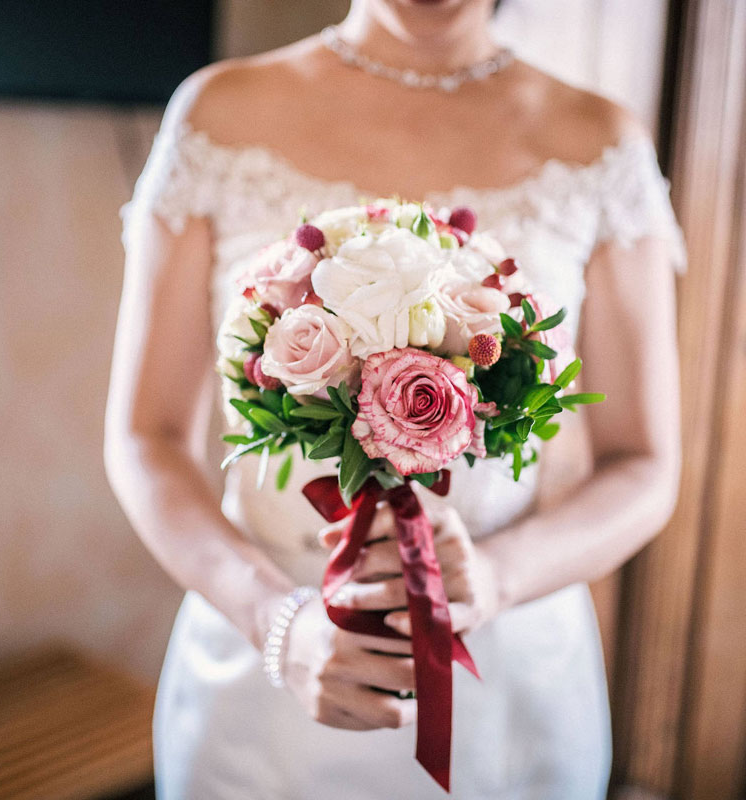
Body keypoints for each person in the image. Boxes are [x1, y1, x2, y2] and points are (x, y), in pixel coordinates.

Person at [105, 0, 683, 796]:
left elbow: (645, 465)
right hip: (266, 656)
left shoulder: (598, 142)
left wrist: (498, 577)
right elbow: (147, 438)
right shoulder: (219, 115)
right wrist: (277, 623)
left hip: (508, 674)